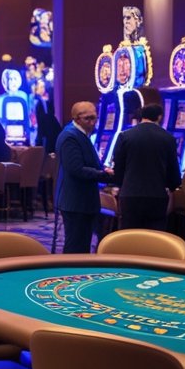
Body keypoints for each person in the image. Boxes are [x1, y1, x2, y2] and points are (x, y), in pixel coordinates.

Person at [112, 103, 181, 231]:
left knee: (129, 235)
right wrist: (173, 186)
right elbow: (173, 171)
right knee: (154, 237)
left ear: (141, 116)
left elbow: (119, 167)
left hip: (130, 194)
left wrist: (118, 185)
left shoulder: (124, 136)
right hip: (157, 196)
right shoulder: (168, 138)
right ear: (159, 117)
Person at [55, 101, 113, 254]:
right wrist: (103, 175)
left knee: (82, 247)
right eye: (88, 119)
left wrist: (103, 169)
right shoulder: (70, 136)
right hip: (75, 202)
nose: (93, 122)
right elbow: (76, 169)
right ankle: (69, 277)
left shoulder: (81, 134)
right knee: (76, 249)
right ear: (76, 118)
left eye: (95, 118)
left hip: (82, 201)